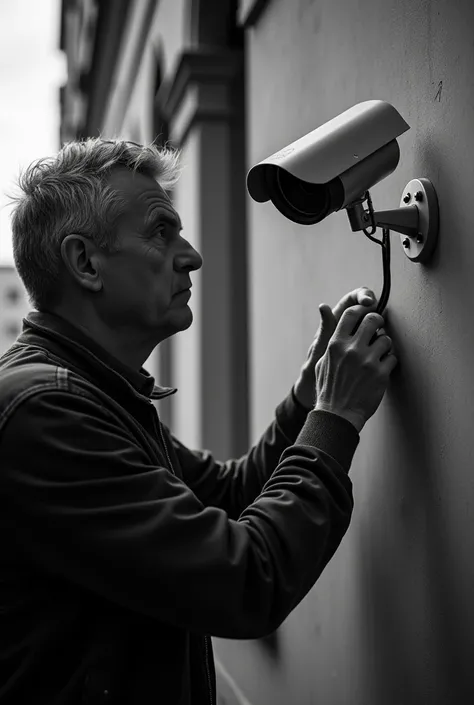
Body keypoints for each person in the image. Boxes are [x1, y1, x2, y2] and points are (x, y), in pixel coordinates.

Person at [0, 138, 397, 705]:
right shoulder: (46, 412)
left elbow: (230, 494)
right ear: (85, 262)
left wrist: (310, 396)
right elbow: (246, 581)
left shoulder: (91, 392)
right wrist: (337, 416)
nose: (191, 256)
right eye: (161, 230)